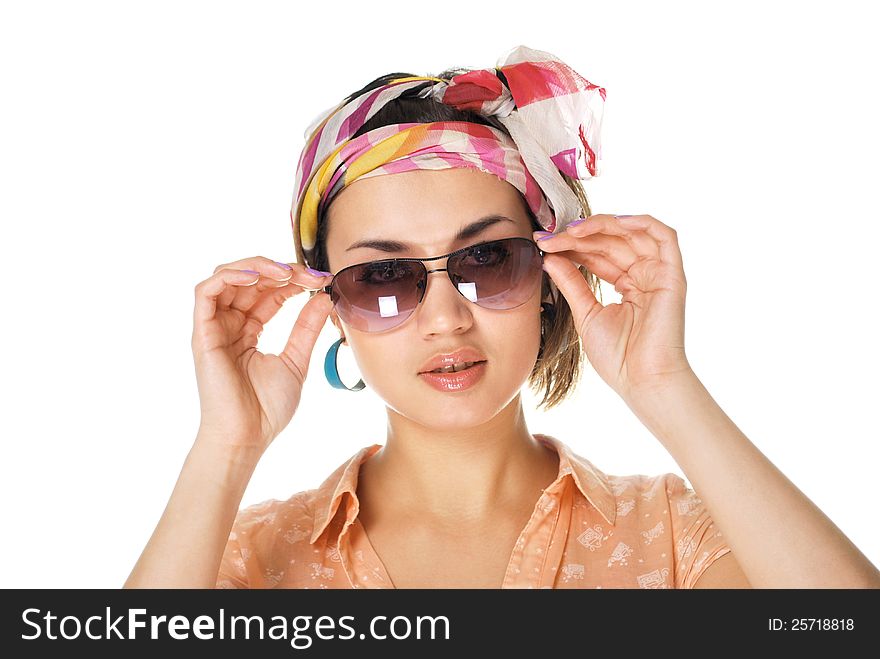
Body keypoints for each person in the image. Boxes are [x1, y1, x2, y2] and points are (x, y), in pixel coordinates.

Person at [124, 46, 880, 589]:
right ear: (331, 304)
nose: (446, 320)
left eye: (488, 261)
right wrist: (225, 448)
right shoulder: (248, 559)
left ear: (550, 275)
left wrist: (666, 386)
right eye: (383, 278)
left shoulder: (677, 537)